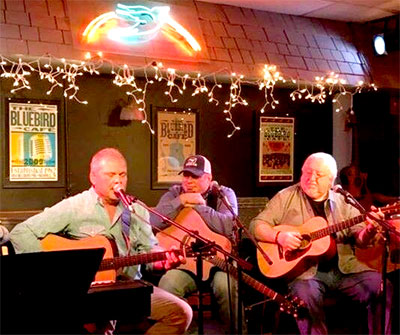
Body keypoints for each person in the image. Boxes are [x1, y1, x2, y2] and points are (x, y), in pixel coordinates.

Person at [9, 147, 192, 335]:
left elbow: (149, 251)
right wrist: (51, 271)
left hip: (130, 288)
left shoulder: (138, 211)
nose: (118, 180)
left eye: (122, 175)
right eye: (110, 174)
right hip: (88, 293)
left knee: (181, 312)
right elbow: (20, 233)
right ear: (93, 177)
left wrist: (162, 261)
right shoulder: (75, 207)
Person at [250, 152, 392, 335]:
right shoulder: (286, 197)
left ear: (331, 181)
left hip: (344, 270)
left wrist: (371, 228)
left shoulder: (344, 201)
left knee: (381, 286)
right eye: (307, 173)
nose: (311, 179)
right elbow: (256, 225)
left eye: (319, 175)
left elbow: (361, 240)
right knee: (305, 296)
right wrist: (279, 237)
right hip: (305, 274)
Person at [150, 154, 240, 333]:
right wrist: (181, 201)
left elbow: (229, 226)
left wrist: (199, 206)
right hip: (186, 263)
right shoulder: (175, 193)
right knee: (169, 283)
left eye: (195, 176)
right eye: (186, 176)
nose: (189, 181)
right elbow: (152, 220)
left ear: (209, 178)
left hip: (218, 264)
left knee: (226, 287)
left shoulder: (224, 194)